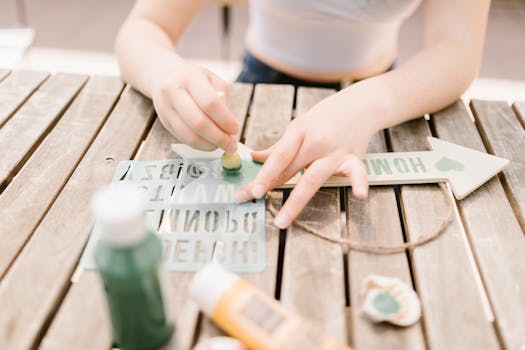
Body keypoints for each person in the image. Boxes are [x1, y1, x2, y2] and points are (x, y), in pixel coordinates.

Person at [115, 0, 490, 229]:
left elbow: (457, 48)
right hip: (261, 91)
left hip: (389, 101)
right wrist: (163, 73)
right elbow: (145, 26)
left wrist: (365, 104)